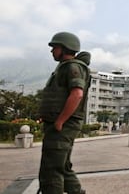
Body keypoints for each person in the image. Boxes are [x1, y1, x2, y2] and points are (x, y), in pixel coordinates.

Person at [38, 32, 91, 194]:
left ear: (65, 48)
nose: (52, 51)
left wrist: (60, 121)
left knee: (51, 170)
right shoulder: (65, 67)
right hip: (61, 124)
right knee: (62, 166)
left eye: (55, 47)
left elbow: (77, 94)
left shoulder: (73, 67)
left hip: (64, 125)